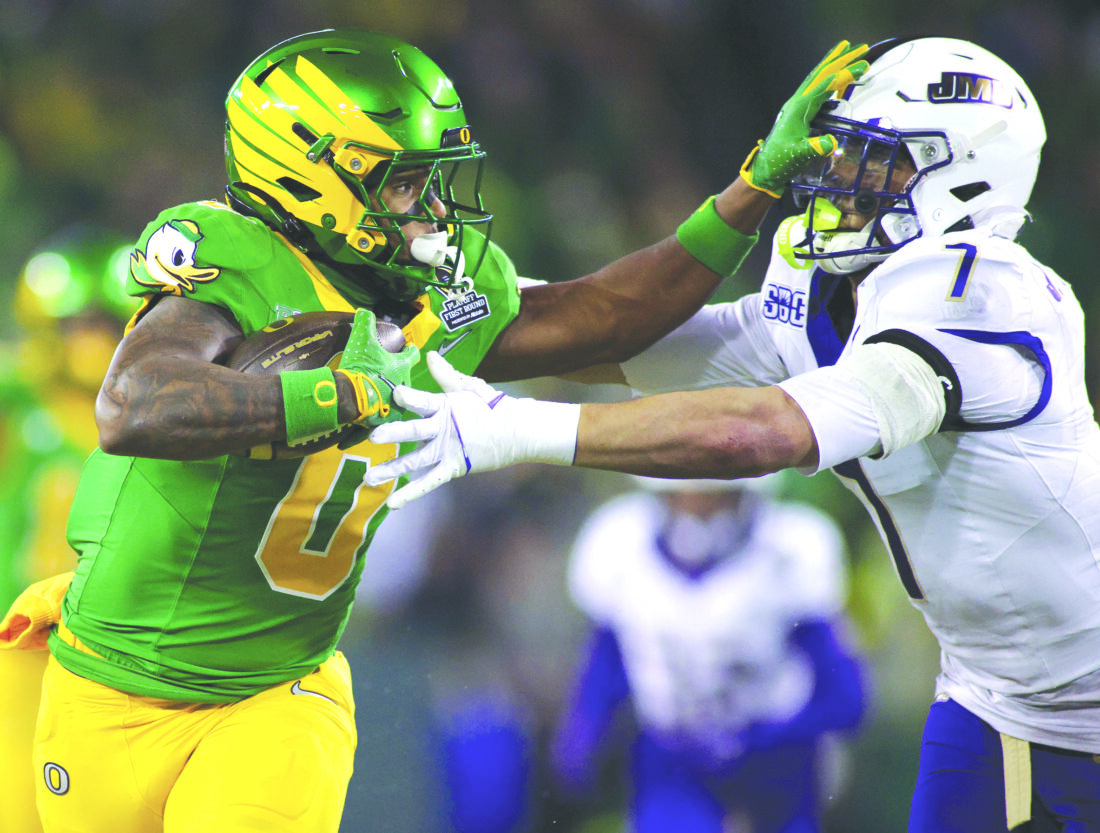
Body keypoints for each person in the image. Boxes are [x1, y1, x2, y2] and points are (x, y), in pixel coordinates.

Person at [4, 28, 871, 833]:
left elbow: (609, 314)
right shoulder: (233, 256)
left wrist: (751, 190)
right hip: (97, 676)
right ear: (312, 178)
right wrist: (336, 394)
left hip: (271, 693)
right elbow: (136, 404)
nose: (433, 208)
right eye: (404, 181)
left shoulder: (442, 299)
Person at [367, 36, 1100, 831]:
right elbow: (649, 347)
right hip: (992, 692)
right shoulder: (828, 287)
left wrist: (517, 427)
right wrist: (449, 323)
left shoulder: (981, 291)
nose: (840, 177)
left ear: (966, 175)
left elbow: (768, 432)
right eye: (841, 151)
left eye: (876, 159)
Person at [550, 474, 867, 833]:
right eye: (684, 498)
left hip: (775, 751)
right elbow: (606, 661)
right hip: (674, 755)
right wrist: (583, 737)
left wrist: (791, 733)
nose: (698, 513)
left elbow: (844, 691)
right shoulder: (621, 545)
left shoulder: (789, 550)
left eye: (714, 499)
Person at [0, 226, 135, 833]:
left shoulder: (167, 418)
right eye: (76, 325)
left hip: (118, 649)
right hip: (19, 638)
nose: (90, 340)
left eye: (103, 324)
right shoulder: (20, 402)